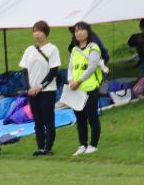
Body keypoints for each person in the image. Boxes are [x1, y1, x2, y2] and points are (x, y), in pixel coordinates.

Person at [19, 21, 63, 158]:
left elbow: (54, 71)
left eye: (40, 31)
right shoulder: (29, 50)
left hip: (47, 90)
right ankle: (40, 146)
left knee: (48, 118)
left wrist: (41, 86)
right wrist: (28, 87)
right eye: (35, 31)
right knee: (37, 120)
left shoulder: (52, 49)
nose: (37, 34)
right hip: (32, 91)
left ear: (46, 33)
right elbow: (25, 70)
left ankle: (48, 147)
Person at [65, 22, 106, 155]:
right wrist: (70, 80)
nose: (79, 33)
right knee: (80, 119)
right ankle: (82, 144)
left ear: (88, 32)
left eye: (82, 30)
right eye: (77, 31)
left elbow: (92, 67)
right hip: (76, 89)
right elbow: (70, 67)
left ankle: (93, 144)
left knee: (92, 117)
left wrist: (79, 81)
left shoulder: (93, 47)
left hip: (89, 87)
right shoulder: (75, 50)